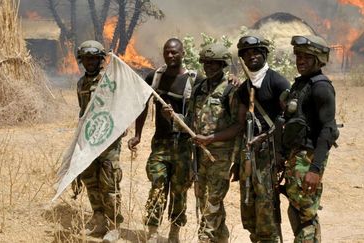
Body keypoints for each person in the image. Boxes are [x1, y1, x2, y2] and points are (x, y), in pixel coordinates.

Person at [128, 38, 201, 243]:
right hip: (160, 143)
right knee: (158, 184)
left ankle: (174, 232)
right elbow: (143, 105)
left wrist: (232, 81)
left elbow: (204, 108)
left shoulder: (194, 80)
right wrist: (138, 134)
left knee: (179, 190)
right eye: (167, 52)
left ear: (183, 53)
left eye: (174, 52)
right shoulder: (155, 77)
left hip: (183, 145)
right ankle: (152, 231)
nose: (170, 56)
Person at [280, 35, 339, 242]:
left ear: (318, 59)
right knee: (296, 211)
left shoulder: (320, 87)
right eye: (298, 56)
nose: (300, 60)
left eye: (306, 56)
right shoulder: (301, 85)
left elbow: (329, 130)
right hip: (296, 158)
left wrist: (315, 170)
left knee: (306, 217)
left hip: (309, 159)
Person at [235, 34, 291, 243]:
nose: (252, 57)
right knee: (249, 207)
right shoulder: (244, 88)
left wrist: (280, 155)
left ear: (265, 54)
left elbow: (289, 120)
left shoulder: (277, 81)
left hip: (270, 155)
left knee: (267, 207)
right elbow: (240, 125)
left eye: (256, 52)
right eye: (247, 54)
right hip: (249, 156)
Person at [187, 43, 243, 243]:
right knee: (202, 198)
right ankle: (222, 238)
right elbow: (191, 118)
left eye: (214, 64)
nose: (209, 67)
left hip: (221, 156)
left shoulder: (231, 89)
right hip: (200, 154)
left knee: (214, 199)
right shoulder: (200, 88)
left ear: (222, 65)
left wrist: (211, 139)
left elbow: (239, 125)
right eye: (207, 63)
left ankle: (206, 238)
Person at [74, 40, 123, 242]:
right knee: (91, 181)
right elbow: (82, 112)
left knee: (109, 185)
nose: (90, 62)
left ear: (101, 59)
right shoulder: (80, 84)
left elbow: (120, 107)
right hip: (88, 141)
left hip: (108, 142)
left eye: (94, 58)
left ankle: (114, 226)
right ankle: (100, 220)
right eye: (86, 58)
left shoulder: (109, 81)